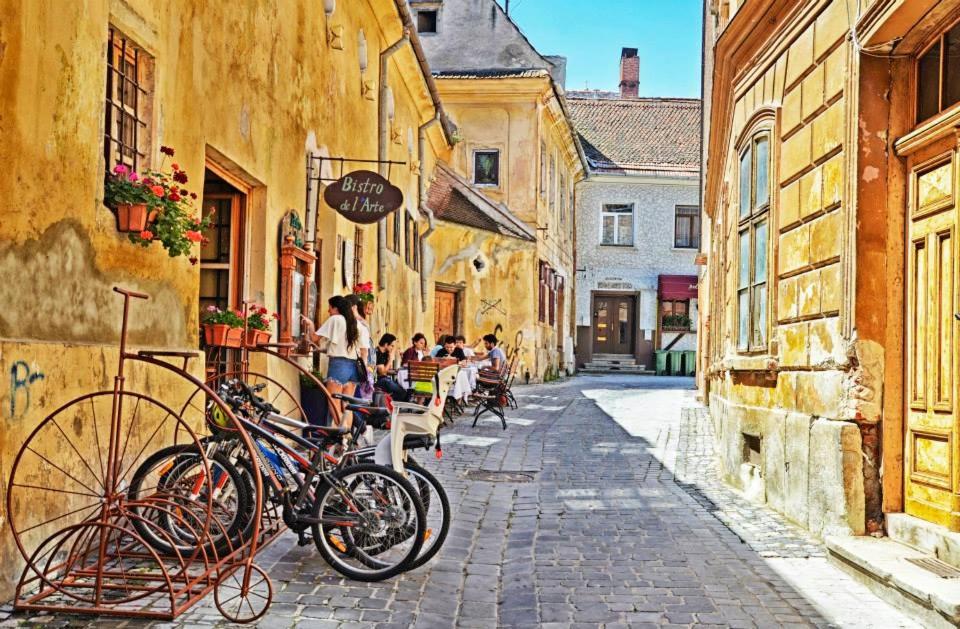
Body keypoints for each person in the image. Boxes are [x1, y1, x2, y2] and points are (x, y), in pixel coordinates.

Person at [301, 295, 368, 429]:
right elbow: (364, 351)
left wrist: (311, 324)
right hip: (354, 368)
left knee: (334, 402)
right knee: (347, 405)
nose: (328, 311)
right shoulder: (358, 325)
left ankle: (343, 433)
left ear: (336, 308)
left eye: (330, 308)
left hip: (339, 366)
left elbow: (314, 338)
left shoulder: (335, 319)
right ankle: (348, 436)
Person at [374, 333, 409, 401]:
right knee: (402, 393)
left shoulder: (385, 353)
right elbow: (382, 372)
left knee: (404, 390)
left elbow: (388, 370)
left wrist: (396, 370)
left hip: (385, 379)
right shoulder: (378, 353)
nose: (392, 348)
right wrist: (390, 359)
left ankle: (385, 400)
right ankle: (384, 400)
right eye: (392, 346)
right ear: (386, 344)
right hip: (378, 381)